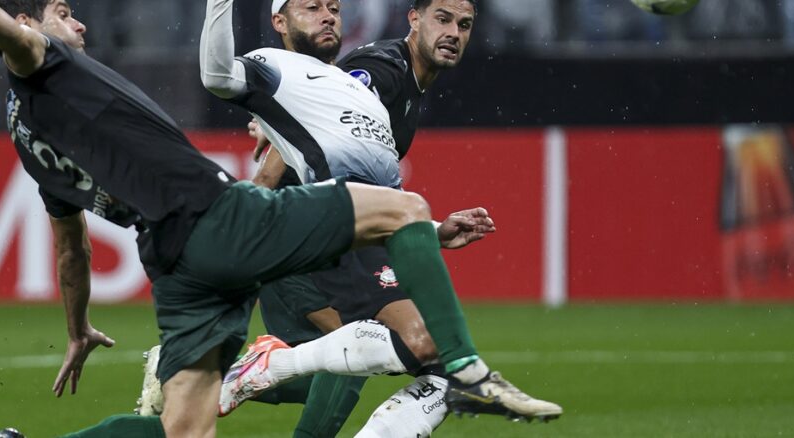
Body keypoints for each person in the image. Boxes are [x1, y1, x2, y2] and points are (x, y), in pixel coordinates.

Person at [0, 0, 510, 436]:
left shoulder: (32, 132)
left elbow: (71, 247)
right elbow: (24, 47)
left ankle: (256, 369)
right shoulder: (49, 64)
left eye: (334, 6)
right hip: (229, 219)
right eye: (64, 13)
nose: (80, 24)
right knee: (389, 333)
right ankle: (269, 365)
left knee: (193, 423)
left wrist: (77, 326)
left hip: (172, 255)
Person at [193, 0, 562, 433]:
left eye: (464, 24)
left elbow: (338, 134)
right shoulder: (381, 69)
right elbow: (323, 112)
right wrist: (269, 147)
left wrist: (430, 230)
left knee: (372, 362)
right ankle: (258, 367)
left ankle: (202, 375)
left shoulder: (408, 88)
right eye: (442, 19)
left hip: (340, 229)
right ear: (414, 19)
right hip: (311, 234)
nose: (453, 33)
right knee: (386, 350)